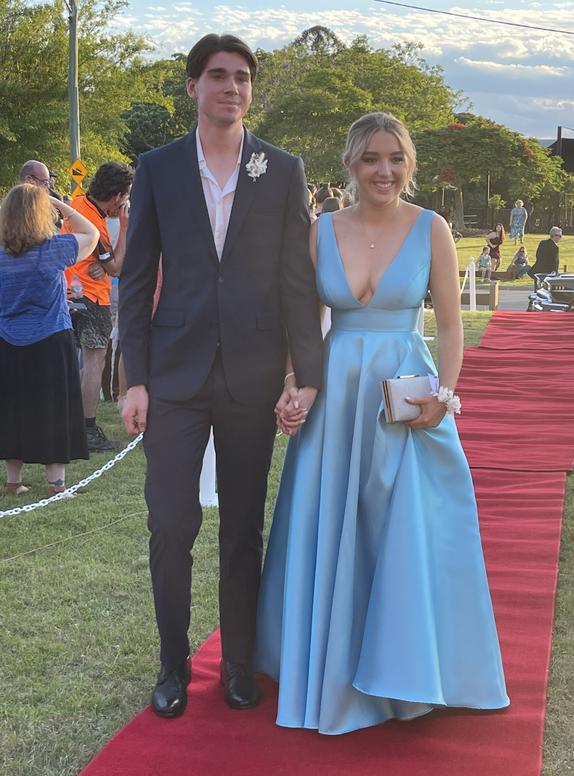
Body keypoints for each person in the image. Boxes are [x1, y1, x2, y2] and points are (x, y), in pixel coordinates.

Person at [255, 111, 509, 735]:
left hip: (406, 393)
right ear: (351, 164)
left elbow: (451, 326)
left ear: (409, 165)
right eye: (371, 158)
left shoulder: (433, 229)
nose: (384, 171)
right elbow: (301, 325)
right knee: (330, 521)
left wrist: (444, 398)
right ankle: (328, 663)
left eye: (396, 159)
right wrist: (294, 385)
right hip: (336, 395)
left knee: (403, 528)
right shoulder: (321, 230)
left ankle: (406, 668)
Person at [118, 33, 323, 718]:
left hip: (253, 374)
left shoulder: (283, 169)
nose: (231, 87)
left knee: (242, 527)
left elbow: (298, 281)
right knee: (170, 522)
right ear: (192, 87)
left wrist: (305, 373)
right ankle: (172, 665)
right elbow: (136, 278)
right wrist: (134, 377)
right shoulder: (157, 168)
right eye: (217, 76)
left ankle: (238, 665)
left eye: (242, 77)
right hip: (173, 377)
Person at [0, 184, 99, 495]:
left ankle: (13, 482)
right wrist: (59, 202)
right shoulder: (53, 248)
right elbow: (92, 234)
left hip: (6, 340)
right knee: (54, 409)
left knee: (11, 409)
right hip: (50, 339)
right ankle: (56, 484)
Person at [64, 161, 133, 452]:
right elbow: (116, 267)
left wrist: (101, 268)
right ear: (117, 196)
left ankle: (77, 426)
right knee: (94, 363)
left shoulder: (77, 204)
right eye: (126, 195)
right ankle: (87, 429)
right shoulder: (94, 221)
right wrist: (126, 227)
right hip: (91, 298)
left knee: (81, 365)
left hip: (69, 292)